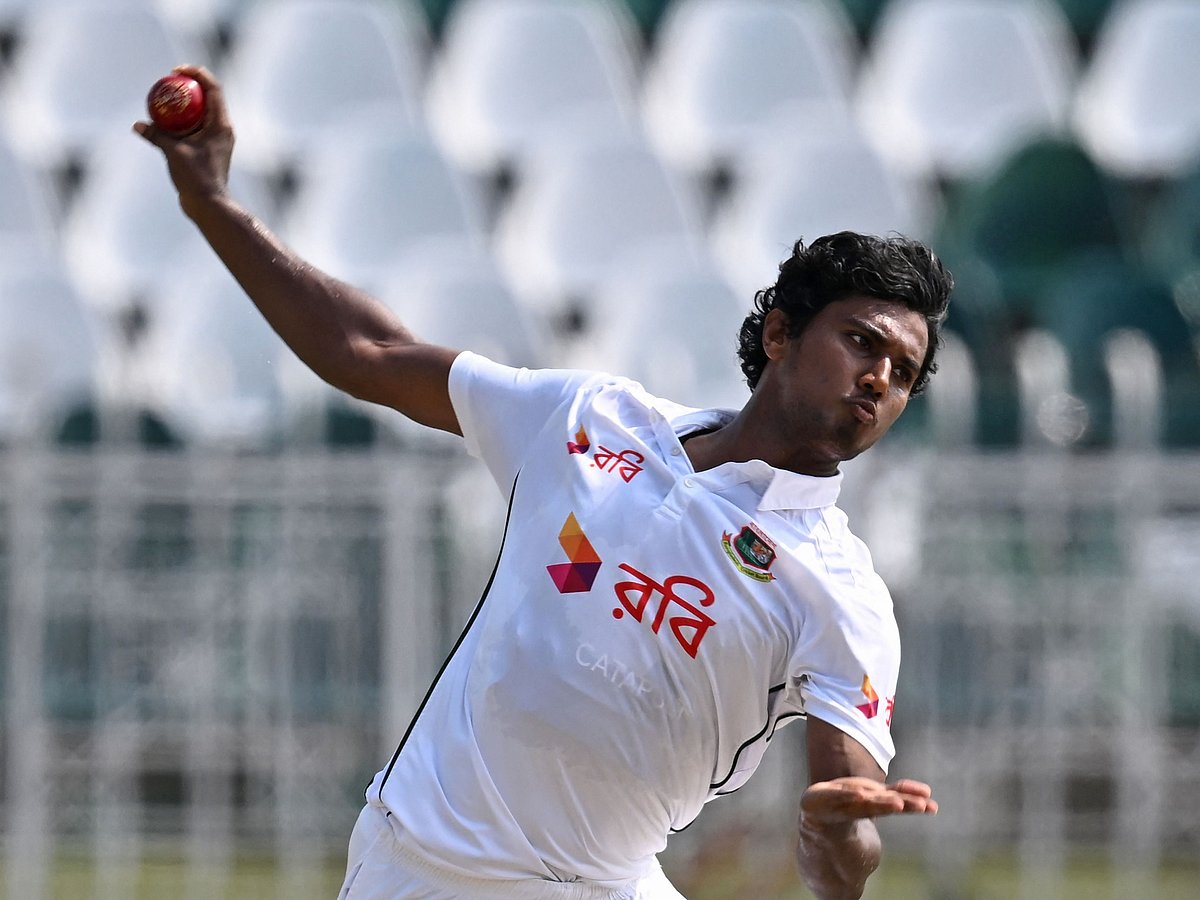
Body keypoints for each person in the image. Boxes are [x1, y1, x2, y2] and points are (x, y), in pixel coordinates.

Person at [136, 65, 948, 900]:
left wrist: (831, 832)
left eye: (902, 371)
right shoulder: (590, 419)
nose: (879, 378)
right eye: (861, 341)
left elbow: (845, 854)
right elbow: (366, 352)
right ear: (780, 333)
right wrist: (212, 205)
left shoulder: (842, 592)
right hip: (410, 864)